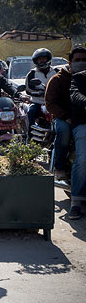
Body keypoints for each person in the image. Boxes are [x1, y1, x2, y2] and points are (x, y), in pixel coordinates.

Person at [46, 46, 86, 181]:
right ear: (70, 63)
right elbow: (50, 103)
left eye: (84, 60)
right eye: (78, 60)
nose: (81, 62)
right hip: (63, 118)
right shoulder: (57, 79)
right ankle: (60, 167)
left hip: (82, 117)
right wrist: (66, 117)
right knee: (64, 131)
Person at [67, 56, 86, 220]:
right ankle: (76, 201)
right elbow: (75, 95)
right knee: (83, 159)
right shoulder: (79, 78)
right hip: (83, 123)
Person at [26, 48, 59, 134]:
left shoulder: (56, 72)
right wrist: (39, 93)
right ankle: (30, 136)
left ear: (48, 59)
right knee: (30, 112)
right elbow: (28, 90)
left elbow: (63, 86)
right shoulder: (32, 74)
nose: (42, 61)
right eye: (39, 59)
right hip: (38, 102)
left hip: (54, 102)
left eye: (44, 58)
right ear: (36, 61)